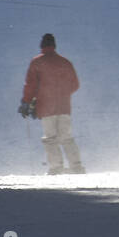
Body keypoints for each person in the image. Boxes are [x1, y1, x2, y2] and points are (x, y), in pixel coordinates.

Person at [19, 33, 84, 175]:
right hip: (64, 107)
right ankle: (76, 167)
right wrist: (63, 94)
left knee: (50, 139)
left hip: (46, 108)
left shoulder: (37, 62)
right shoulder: (65, 62)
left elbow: (31, 84)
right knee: (66, 137)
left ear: (42, 45)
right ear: (54, 46)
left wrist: (27, 102)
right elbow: (75, 84)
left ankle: (56, 168)